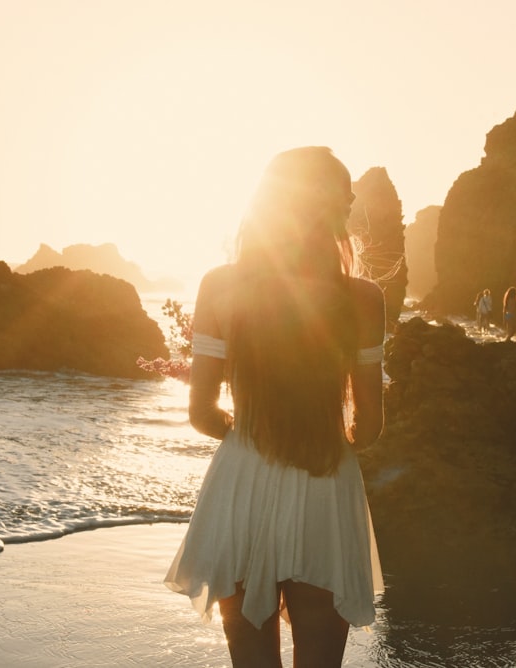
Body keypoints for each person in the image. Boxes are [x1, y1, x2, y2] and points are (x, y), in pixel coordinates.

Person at [164, 147, 386, 667]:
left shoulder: (220, 285)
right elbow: (371, 425)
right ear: (330, 205)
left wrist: (253, 438)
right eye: (346, 194)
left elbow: (201, 413)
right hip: (324, 480)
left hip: (242, 480)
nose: (352, 203)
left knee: (250, 658)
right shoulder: (364, 298)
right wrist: (322, 440)